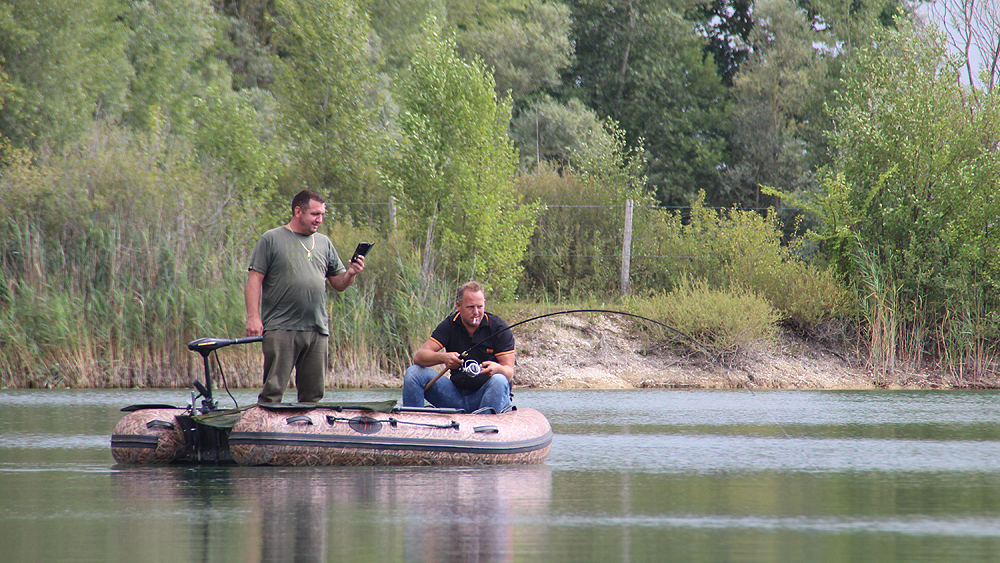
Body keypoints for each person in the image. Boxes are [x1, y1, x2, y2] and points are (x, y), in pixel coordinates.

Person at [245, 189, 365, 404]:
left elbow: (338, 284)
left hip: (317, 329)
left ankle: (306, 434)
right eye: (315, 214)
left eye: (322, 215)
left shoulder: (324, 242)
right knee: (272, 392)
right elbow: (254, 280)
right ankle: (264, 433)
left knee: (313, 396)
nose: (319, 220)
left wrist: (351, 273)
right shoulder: (271, 239)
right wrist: (253, 317)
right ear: (298, 211)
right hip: (281, 327)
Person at [402, 281, 515, 413]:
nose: (476, 312)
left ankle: (484, 427)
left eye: (480, 306)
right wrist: (444, 358)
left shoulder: (499, 327)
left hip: (488, 396)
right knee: (413, 373)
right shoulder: (450, 325)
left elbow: (509, 372)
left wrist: (497, 369)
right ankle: (413, 422)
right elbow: (420, 357)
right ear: (458, 306)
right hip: (454, 397)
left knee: (499, 379)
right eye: (470, 307)